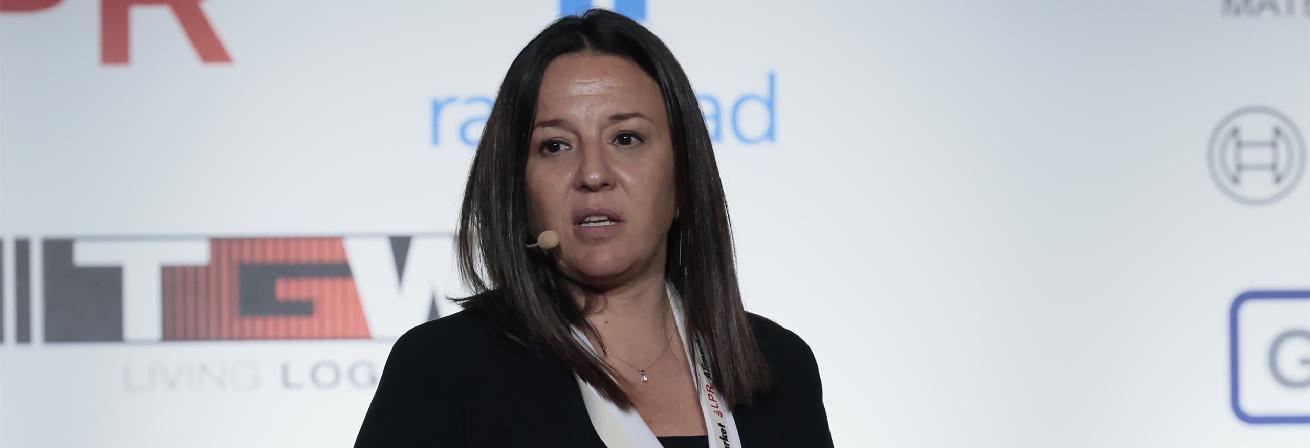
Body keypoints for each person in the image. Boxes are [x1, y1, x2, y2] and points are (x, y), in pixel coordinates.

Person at [354, 9, 832, 448]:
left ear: (683, 177)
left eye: (626, 138)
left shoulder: (779, 366)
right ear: (518, 189)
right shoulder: (443, 368)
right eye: (556, 146)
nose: (594, 173)